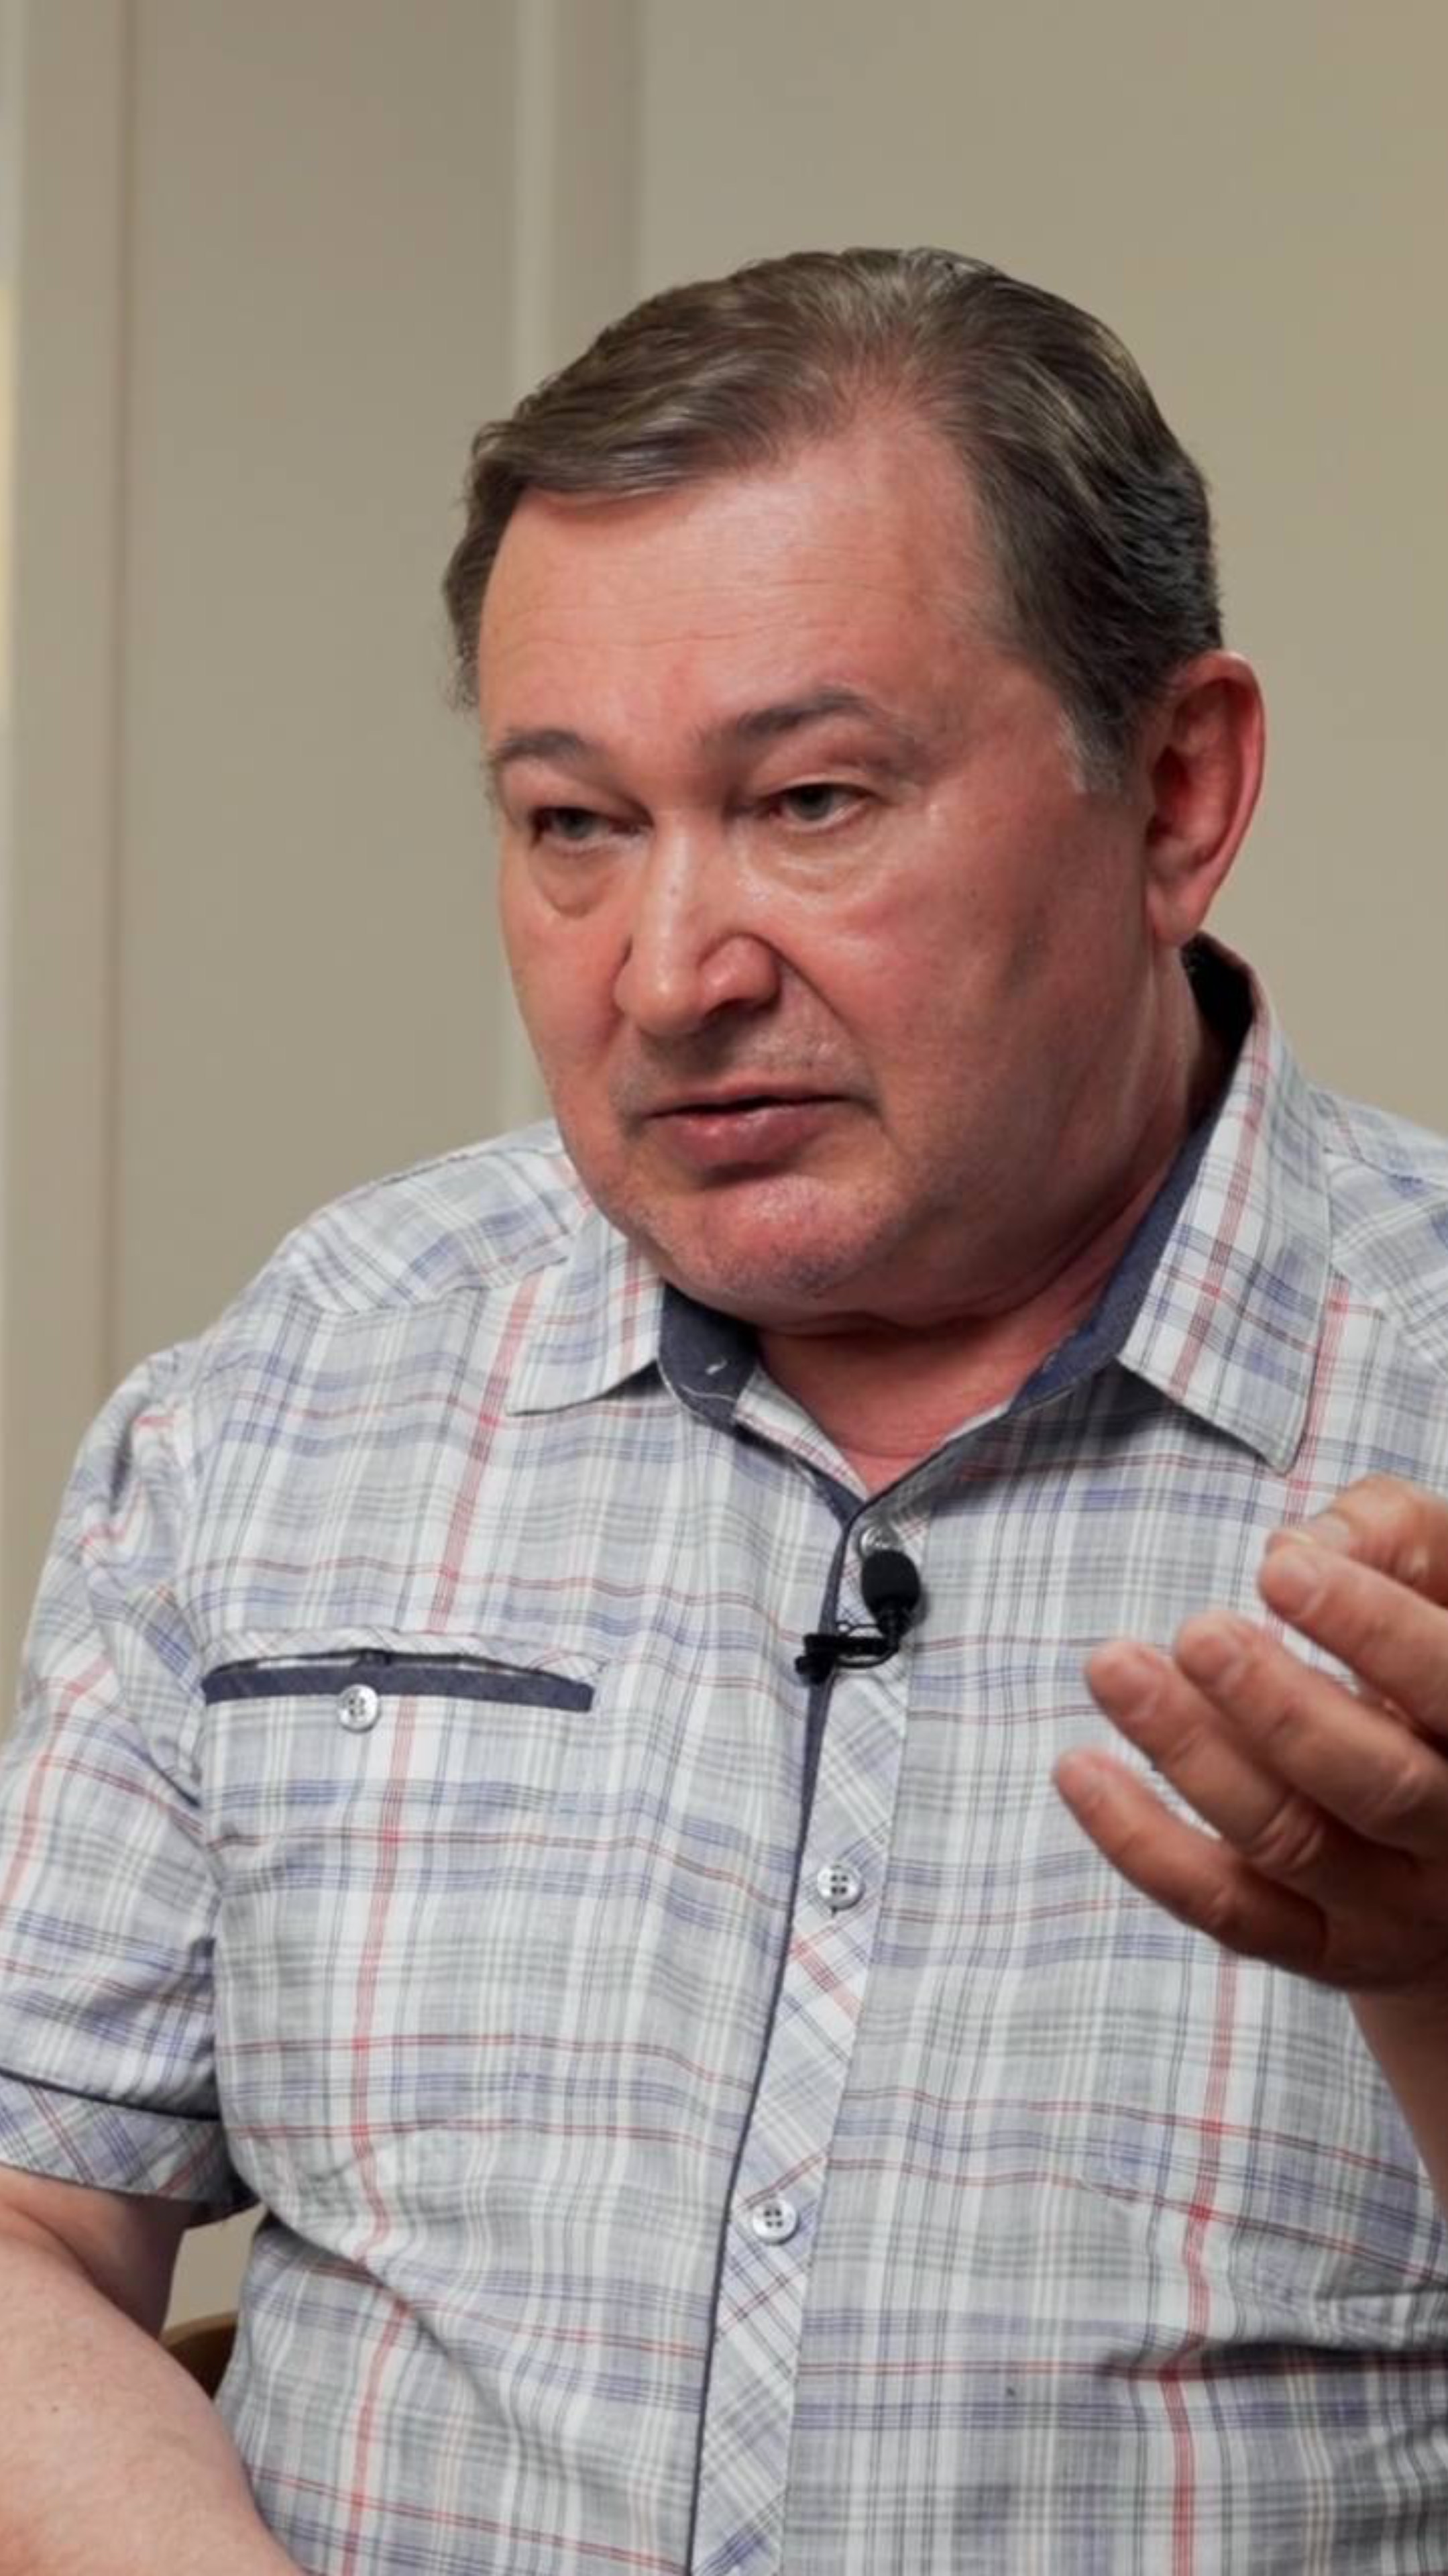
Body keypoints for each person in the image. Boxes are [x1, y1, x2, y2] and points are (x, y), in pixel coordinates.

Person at [1, 247, 1448, 2576]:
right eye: (575, 824)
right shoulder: (311, 1373)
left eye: (812, 800)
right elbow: (23, 2221)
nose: (671, 977)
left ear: (1176, 793)